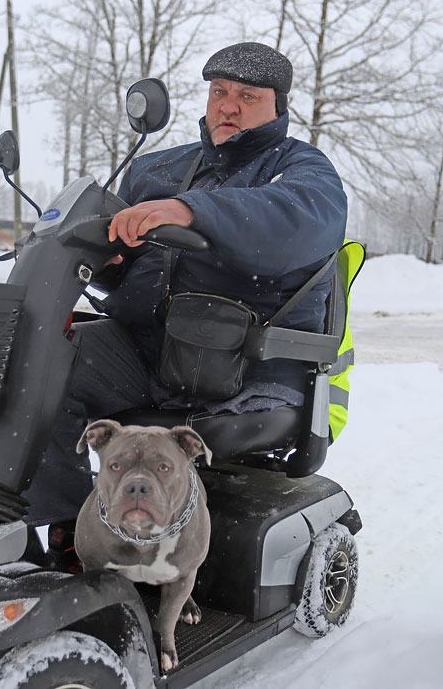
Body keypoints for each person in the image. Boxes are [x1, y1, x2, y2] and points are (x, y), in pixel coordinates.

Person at [26, 42, 347, 532]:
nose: (228, 106)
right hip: (145, 352)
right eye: (218, 92)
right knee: (38, 359)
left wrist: (193, 211)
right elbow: (119, 251)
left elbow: (293, 225)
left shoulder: (302, 171)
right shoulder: (158, 169)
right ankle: (69, 534)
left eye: (247, 95)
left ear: (278, 106)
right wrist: (107, 259)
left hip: (243, 368)